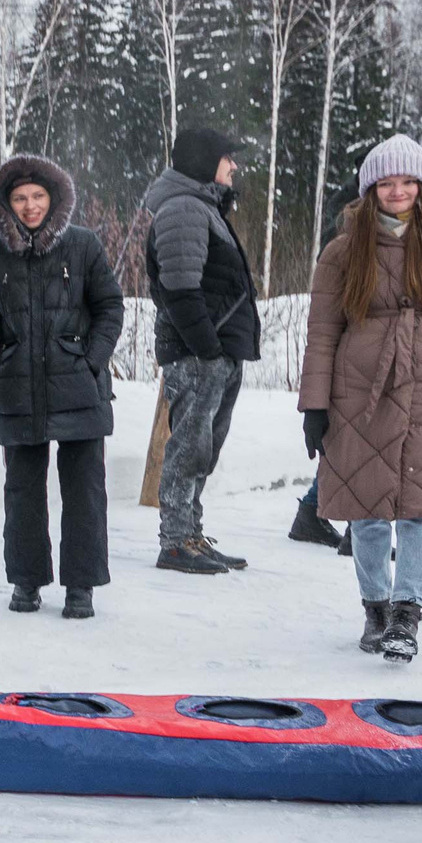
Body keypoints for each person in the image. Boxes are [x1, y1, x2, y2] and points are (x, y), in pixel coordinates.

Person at [0, 155, 122, 618]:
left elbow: (111, 306)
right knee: (23, 491)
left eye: (37, 196)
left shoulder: (83, 245)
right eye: (19, 198)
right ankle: (27, 582)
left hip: (79, 387)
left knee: (85, 490)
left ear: (53, 198)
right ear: (5, 205)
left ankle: (81, 586)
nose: (30, 205)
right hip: (18, 391)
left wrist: (91, 360)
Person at [299, 136, 422, 662]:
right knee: (368, 510)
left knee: (421, 509)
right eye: (386, 182)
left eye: (407, 181)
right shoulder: (342, 251)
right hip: (360, 395)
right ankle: (376, 606)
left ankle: (407, 612)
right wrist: (315, 405)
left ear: (421, 187)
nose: (397, 191)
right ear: (370, 189)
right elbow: (322, 333)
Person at [145, 129, 259, 575]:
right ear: (203, 161)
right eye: (227, 158)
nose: (233, 166)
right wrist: (208, 349)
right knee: (189, 447)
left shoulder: (203, 208)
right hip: (197, 354)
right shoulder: (184, 209)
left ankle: (191, 533)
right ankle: (175, 541)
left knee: (203, 448)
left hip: (213, 352)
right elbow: (179, 288)